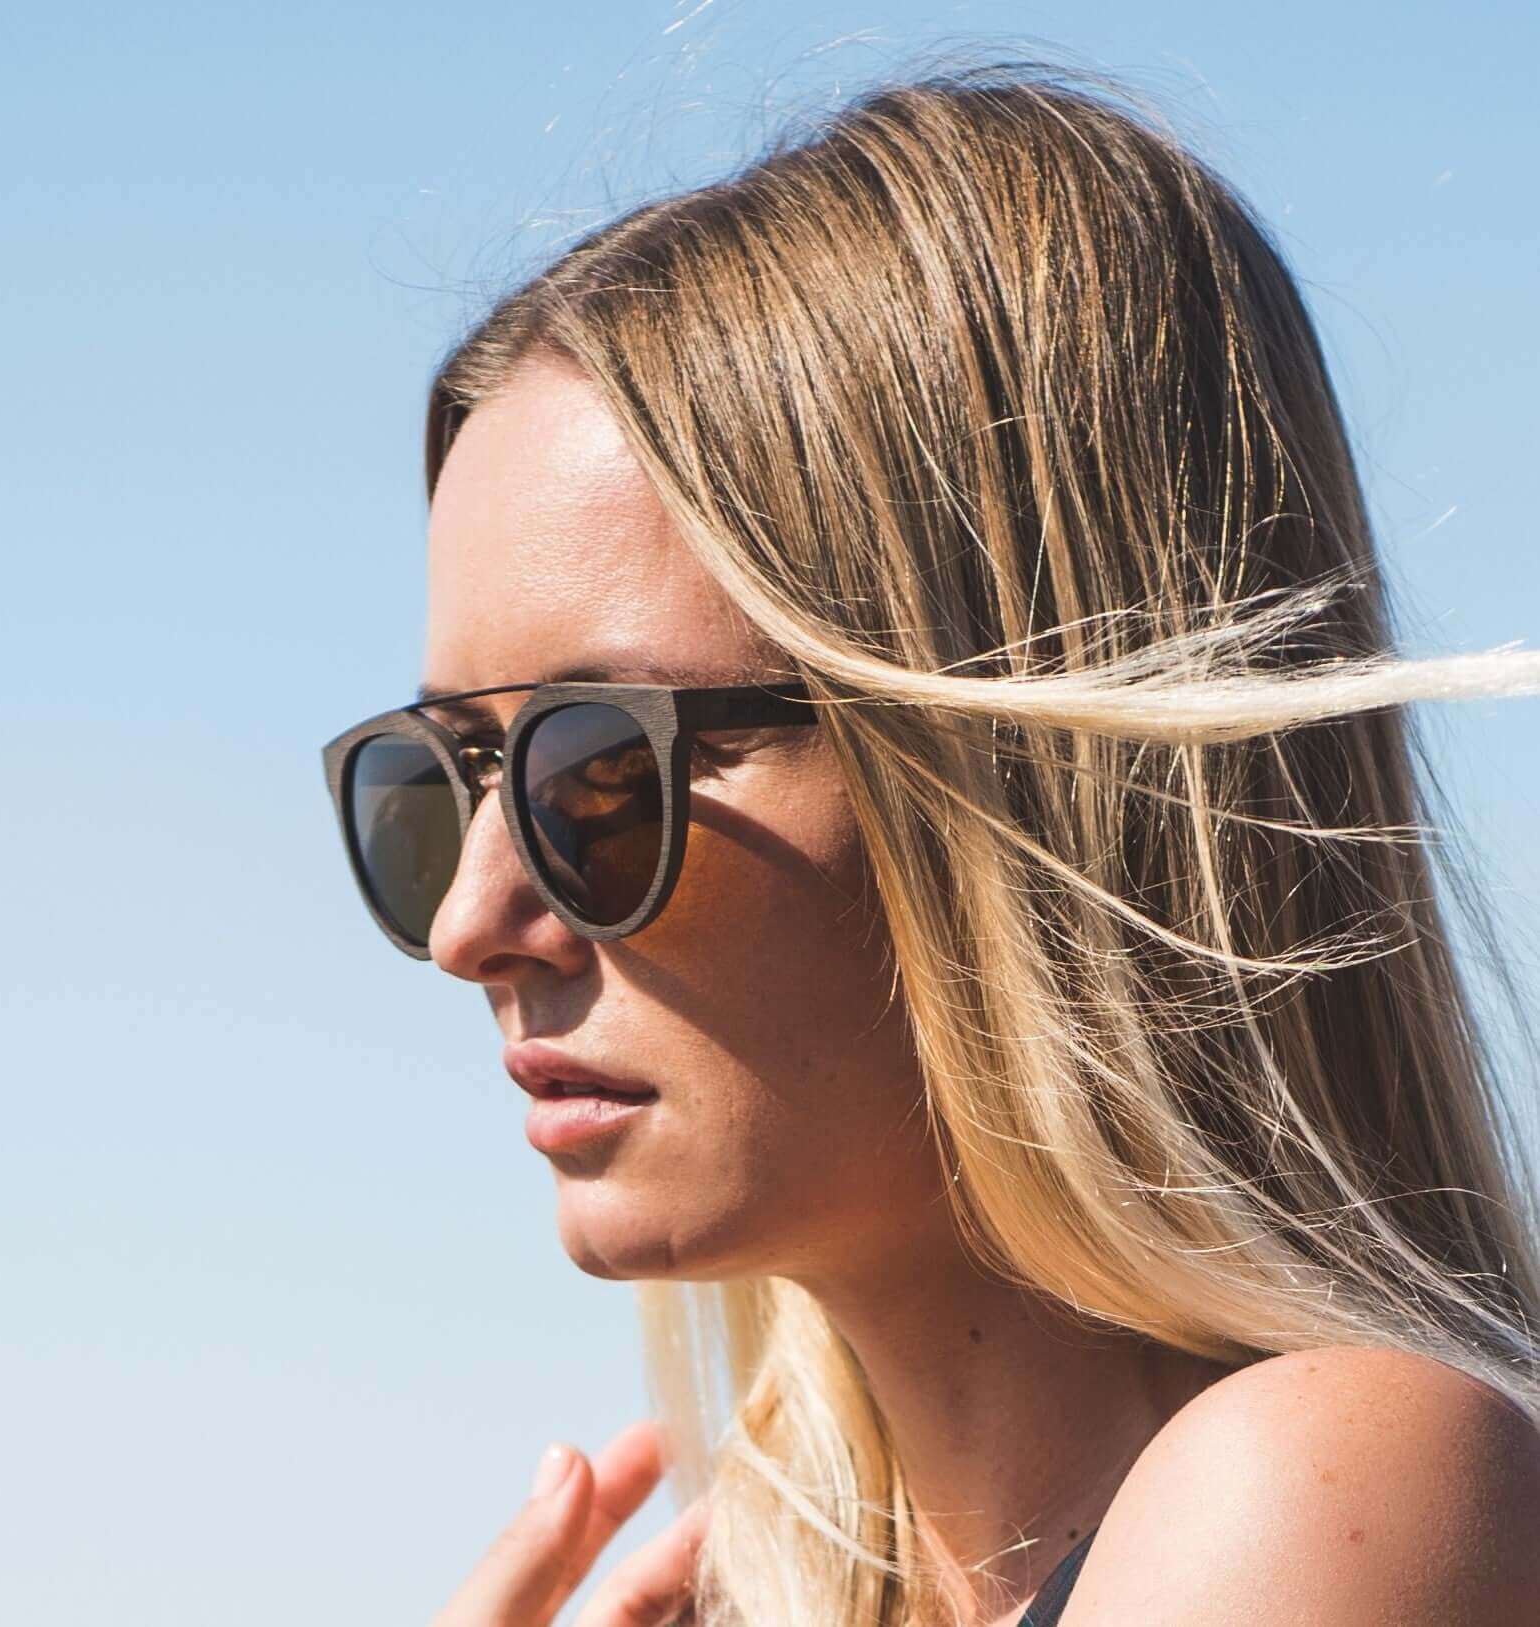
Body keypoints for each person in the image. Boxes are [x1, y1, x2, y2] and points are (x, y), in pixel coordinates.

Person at [322, 60, 1540, 1625]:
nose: (471, 925)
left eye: (602, 775)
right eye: (442, 780)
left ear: (1006, 773)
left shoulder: (1322, 1495)